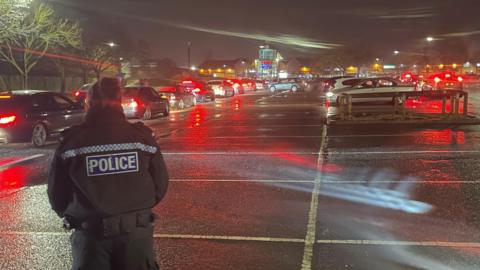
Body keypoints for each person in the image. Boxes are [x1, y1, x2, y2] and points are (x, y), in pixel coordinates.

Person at [48, 77, 169, 270]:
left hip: (91, 237)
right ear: (119, 101)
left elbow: (57, 195)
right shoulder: (142, 138)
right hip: (136, 235)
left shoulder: (72, 141)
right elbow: (160, 184)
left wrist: (77, 212)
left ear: (89, 102)